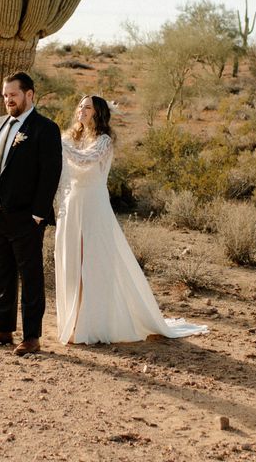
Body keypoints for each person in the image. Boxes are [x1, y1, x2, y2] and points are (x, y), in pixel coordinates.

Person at [55, 95, 208, 345]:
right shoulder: (69, 138)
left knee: (91, 262)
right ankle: (73, 320)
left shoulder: (104, 141)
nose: (81, 110)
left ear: (98, 113)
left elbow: (85, 160)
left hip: (93, 204)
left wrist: (57, 143)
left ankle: (88, 323)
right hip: (73, 203)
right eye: (80, 106)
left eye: (87, 107)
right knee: (73, 261)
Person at [0, 72, 62, 356]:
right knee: (3, 274)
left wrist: (38, 215)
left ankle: (32, 336)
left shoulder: (45, 128)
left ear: (29, 94)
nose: (8, 100)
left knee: (31, 277)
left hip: (26, 218)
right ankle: (2, 329)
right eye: (5, 95)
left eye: (13, 95)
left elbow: (50, 173)